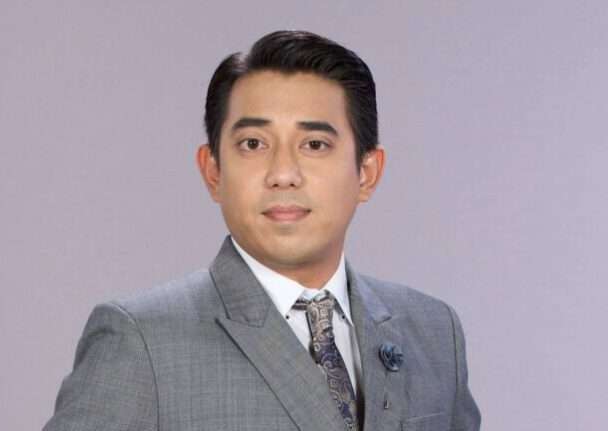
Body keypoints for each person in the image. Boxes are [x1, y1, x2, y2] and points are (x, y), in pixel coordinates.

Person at [43, 30, 481, 431]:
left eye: (315, 144)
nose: (283, 174)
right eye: (253, 144)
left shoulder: (433, 331)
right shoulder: (142, 340)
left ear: (367, 172)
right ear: (213, 171)